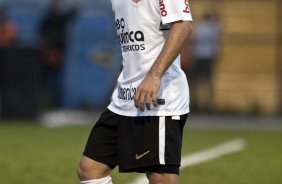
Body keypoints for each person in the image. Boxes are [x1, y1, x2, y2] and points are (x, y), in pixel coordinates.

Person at [77, 0, 193, 183]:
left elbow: (183, 26)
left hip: (159, 100)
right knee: (90, 169)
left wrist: (154, 75)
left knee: (161, 178)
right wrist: (120, 82)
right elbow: (130, 48)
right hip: (124, 99)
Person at [39, 0, 78, 107]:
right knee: (46, 81)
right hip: (48, 55)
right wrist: (49, 52)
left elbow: (73, 14)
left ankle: (56, 104)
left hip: (59, 53)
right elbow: (42, 36)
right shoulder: (48, 19)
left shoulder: (60, 18)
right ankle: (44, 104)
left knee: (57, 81)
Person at [191, 12, 221, 112]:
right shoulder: (213, 27)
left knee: (197, 82)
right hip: (206, 56)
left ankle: (198, 103)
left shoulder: (200, 26)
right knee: (206, 82)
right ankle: (207, 104)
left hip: (200, 56)